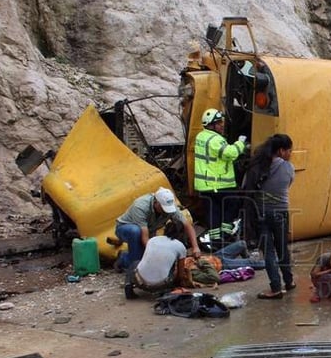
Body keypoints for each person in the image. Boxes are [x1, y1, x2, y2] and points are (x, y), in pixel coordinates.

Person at [242, 134, 296, 299]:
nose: (290, 154)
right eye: (289, 151)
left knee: (269, 251)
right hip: (281, 213)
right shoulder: (288, 168)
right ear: (281, 150)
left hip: (261, 214)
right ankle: (289, 281)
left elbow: (247, 188)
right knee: (282, 248)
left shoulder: (257, 167)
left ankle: (275, 288)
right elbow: (288, 183)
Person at [193, 108, 247, 243]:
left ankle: (216, 240)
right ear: (211, 125)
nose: (222, 125)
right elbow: (231, 153)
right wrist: (241, 143)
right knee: (232, 204)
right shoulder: (216, 139)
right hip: (219, 184)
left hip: (205, 185)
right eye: (218, 122)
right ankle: (226, 235)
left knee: (213, 212)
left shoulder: (201, 136)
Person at [114, 187, 200, 270]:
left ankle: (134, 256)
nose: (166, 211)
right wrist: (156, 255)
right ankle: (124, 258)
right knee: (138, 262)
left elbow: (187, 225)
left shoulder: (170, 205)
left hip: (149, 231)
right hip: (126, 229)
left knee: (150, 261)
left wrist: (195, 247)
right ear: (156, 202)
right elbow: (144, 237)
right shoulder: (140, 206)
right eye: (163, 208)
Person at [124, 219, 187, 299]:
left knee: (135, 263)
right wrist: (178, 283)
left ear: (165, 230)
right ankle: (165, 290)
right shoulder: (180, 246)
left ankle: (128, 286)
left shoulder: (153, 240)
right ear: (182, 233)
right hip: (161, 286)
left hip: (139, 282)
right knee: (171, 267)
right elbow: (180, 275)